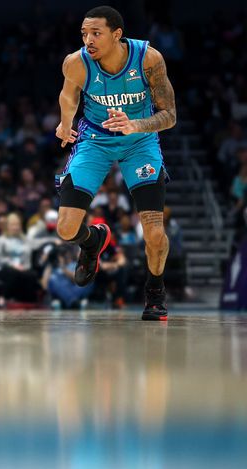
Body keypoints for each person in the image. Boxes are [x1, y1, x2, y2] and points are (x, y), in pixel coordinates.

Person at [55, 6, 176, 320]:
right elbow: (69, 96)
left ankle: (155, 291)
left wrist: (135, 125)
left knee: (153, 231)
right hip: (95, 140)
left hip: (139, 142)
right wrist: (65, 122)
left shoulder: (149, 59)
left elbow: (169, 116)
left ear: (117, 35)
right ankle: (93, 241)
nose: (88, 40)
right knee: (66, 228)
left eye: (96, 33)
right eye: (84, 33)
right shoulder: (76, 62)